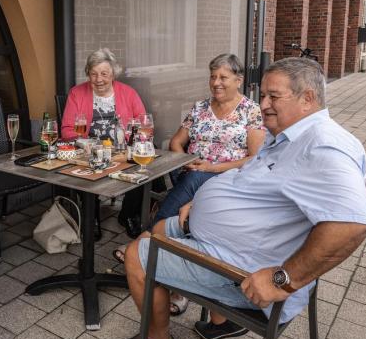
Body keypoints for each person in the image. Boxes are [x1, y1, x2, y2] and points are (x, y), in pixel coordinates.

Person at [100, 58, 366, 339]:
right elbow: (251, 179)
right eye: (263, 95)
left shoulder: (323, 145)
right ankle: (217, 321)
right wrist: (201, 203)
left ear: (307, 98)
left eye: (274, 96)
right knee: (159, 229)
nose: (264, 104)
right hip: (227, 236)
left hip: (242, 265)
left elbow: (352, 223)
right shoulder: (287, 135)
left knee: (136, 255)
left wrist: (281, 279)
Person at [112, 54, 265, 316]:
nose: (216, 82)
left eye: (223, 77)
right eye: (212, 76)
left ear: (238, 80)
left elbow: (254, 158)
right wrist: (188, 161)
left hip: (228, 180)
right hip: (193, 173)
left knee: (192, 187)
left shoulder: (250, 111)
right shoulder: (200, 108)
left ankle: (145, 241)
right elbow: (175, 142)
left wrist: (210, 167)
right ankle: (176, 287)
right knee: (189, 190)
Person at [60, 48, 147, 236]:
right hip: (90, 149)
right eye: (93, 74)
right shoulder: (77, 93)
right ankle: (92, 216)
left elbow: (143, 121)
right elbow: (66, 130)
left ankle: (128, 215)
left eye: (104, 74)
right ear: (88, 74)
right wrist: (86, 142)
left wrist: (132, 137)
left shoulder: (128, 93)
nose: (99, 79)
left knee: (143, 165)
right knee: (86, 168)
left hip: (121, 149)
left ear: (113, 74)